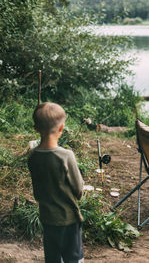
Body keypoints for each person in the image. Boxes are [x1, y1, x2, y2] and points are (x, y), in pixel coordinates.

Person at [28, 102, 84, 263]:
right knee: (73, 258)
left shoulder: (32, 156)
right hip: (68, 219)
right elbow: (79, 190)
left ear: (36, 129)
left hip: (47, 218)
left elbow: (37, 191)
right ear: (61, 128)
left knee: (52, 258)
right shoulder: (66, 156)